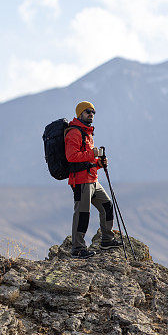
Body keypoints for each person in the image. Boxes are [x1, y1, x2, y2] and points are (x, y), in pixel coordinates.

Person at [65, 101, 123, 258]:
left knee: (107, 205)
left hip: (92, 179)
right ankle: (77, 248)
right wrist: (93, 155)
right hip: (81, 181)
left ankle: (107, 240)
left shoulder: (87, 133)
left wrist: (98, 163)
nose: (91, 114)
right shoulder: (74, 133)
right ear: (80, 114)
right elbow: (71, 157)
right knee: (82, 214)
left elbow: (86, 161)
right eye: (87, 112)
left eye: (93, 112)